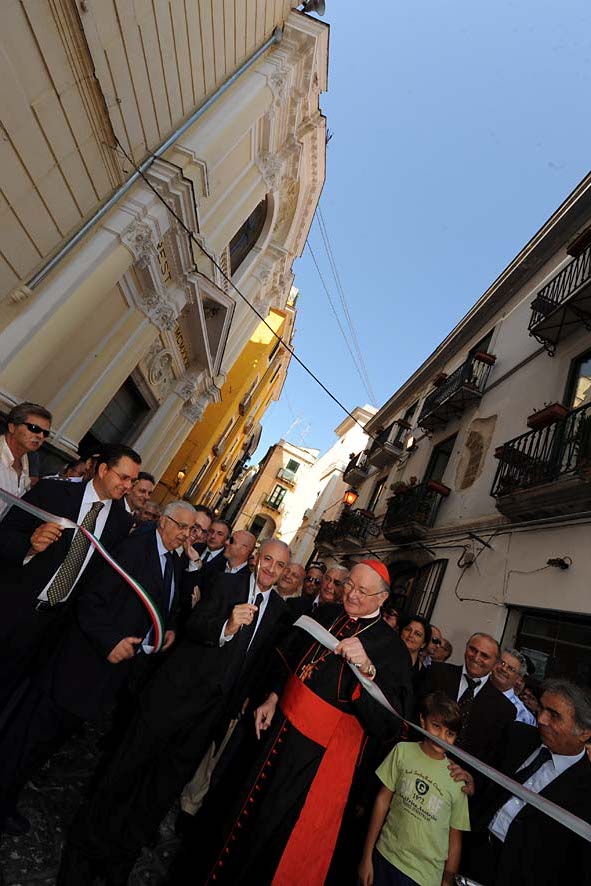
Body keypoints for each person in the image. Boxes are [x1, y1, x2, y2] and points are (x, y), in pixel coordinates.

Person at [57, 539, 290, 885]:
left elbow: (259, 665)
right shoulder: (226, 582)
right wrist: (226, 626)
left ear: (286, 573)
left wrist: (265, 698)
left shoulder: (278, 613)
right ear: (256, 559)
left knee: (157, 795)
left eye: (279, 565)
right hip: (169, 702)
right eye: (267, 560)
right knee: (122, 776)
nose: (271, 568)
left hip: (205, 722)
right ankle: (82, 853)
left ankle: (119, 860)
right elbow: (194, 625)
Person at [171, 560, 413, 885]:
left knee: (271, 840)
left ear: (383, 599)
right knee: (237, 813)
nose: (352, 595)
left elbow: (389, 725)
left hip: (312, 763)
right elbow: (287, 658)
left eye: (363, 591)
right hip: (274, 732)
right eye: (349, 585)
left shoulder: (391, 649)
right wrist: (273, 696)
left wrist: (368, 671)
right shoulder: (326, 614)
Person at [0, 500, 196, 837]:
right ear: (164, 521)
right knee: (26, 740)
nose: (186, 534)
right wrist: (110, 641)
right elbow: (91, 600)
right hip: (79, 666)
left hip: (104, 679)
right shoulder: (136, 547)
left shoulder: (174, 560)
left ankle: (8, 799)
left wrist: (169, 628)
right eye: (181, 526)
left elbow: (166, 604)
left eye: (190, 529)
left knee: (45, 744)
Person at [0, 443, 139, 716]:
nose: (127, 486)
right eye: (123, 477)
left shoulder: (121, 524)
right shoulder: (53, 492)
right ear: (102, 469)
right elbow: (6, 534)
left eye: (132, 481)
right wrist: (29, 546)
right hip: (10, 606)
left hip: (49, 627)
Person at [464, 679, 591, 886]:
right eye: (541, 708)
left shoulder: (586, 791)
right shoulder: (517, 737)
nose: (541, 718)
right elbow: (486, 785)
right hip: (471, 856)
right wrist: (472, 785)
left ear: (585, 732)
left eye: (554, 715)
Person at [359, 692, 470, 886]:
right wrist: (367, 855)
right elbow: (382, 801)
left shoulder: (457, 779)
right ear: (422, 719)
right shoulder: (402, 751)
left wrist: (446, 880)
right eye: (436, 726)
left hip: (424, 877)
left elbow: (455, 838)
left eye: (450, 733)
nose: (442, 737)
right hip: (384, 856)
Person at [420, 633, 516, 770]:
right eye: (473, 650)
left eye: (485, 655)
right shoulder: (437, 673)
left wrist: (472, 779)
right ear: (466, 649)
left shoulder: (504, 709)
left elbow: (492, 758)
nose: (476, 658)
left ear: (495, 663)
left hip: (458, 779)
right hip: (420, 757)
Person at [0, 402, 52, 520]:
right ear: (12, 427)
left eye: (45, 433)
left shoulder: (27, 469)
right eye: (34, 428)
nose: (40, 436)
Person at [490, 648, 536, 726]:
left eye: (511, 669)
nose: (503, 669)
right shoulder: (473, 687)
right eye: (502, 663)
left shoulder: (522, 715)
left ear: (518, 678)